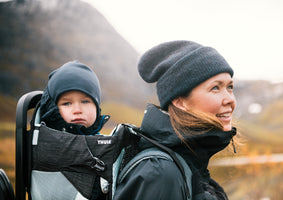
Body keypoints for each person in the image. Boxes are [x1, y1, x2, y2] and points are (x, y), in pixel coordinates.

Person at [114, 40, 237, 200]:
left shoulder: (190, 164)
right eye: (215, 88)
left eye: (230, 87)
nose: (230, 99)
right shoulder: (161, 173)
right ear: (180, 102)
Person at [31, 61, 109, 200]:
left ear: (97, 107)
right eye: (67, 103)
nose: (77, 110)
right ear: (53, 108)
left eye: (85, 101)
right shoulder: (46, 145)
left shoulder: (105, 144)